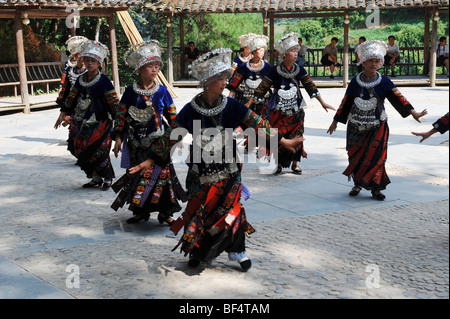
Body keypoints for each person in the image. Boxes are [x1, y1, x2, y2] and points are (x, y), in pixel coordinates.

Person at [128, 48, 303, 271]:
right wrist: (150, 160)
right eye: (221, 79)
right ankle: (198, 251)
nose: (225, 83)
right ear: (208, 82)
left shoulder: (232, 106)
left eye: (225, 78)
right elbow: (172, 134)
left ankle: (237, 250)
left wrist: (283, 141)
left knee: (232, 209)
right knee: (200, 211)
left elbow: (257, 124)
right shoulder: (191, 109)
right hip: (199, 172)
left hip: (228, 169)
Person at [327, 40, 428, 201]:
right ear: (363, 62)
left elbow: (398, 98)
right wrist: (335, 121)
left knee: (377, 157)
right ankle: (357, 184)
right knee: (355, 157)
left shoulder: (384, 81)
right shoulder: (354, 82)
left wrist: (413, 112)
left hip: (378, 126)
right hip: (356, 126)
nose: (374, 64)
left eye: (377, 61)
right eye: (370, 61)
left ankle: (376, 188)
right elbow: (346, 102)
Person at [111, 40, 186, 225]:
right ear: (139, 69)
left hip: (158, 143)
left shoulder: (162, 91)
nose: (154, 70)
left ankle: (165, 213)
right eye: (150, 66)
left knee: (162, 177)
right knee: (138, 176)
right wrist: (118, 137)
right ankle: (140, 211)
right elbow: (120, 114)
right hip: (136, 143)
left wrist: (176, 135)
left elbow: (172, 114)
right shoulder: (130, 92)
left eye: (157, 66)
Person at [250, 32, 335, 175]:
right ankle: (277, 164)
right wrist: (249, 103)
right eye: (292, 51)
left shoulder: (299, 69)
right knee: (278, 135)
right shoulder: (274, 71)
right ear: (284, 54)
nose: (296, 54)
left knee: (298, 135)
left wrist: (323, 102)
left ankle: (295, 164)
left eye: (296, 51)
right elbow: (262, 88)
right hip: (278, 109)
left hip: (296, 109)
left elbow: (310, 86)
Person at [54, 40, 119, 190]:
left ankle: (108, 177)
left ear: (99, 63)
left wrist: (119, 123)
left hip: (101, 121)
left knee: (100, 150)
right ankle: (95, 177)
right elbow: (71, 97)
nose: (89, 63)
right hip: (82, 120)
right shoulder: (80, 79)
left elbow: (113, 102)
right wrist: (63, 113)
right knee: (82, 149)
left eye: (93, 61)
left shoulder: (104, 81)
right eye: (87, 60)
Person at [56, 36, 88, 157]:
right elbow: (65, 84)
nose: (77, 57)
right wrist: (63, 110)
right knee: (74, 128)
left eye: (79, 54)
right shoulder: (69, 68)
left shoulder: (93, 69)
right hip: (73, 103)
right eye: (75, 55)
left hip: (89, 105)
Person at [227, 34, 272, 118]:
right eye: (260, 50)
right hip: (247, 99)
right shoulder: (244, 66)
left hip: (264, 101)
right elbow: (235, 82)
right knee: (246, 124)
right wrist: (229, 98)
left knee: (263, 125)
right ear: (254, 52)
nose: (263, 53)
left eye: (263, 51)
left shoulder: (267, 67)